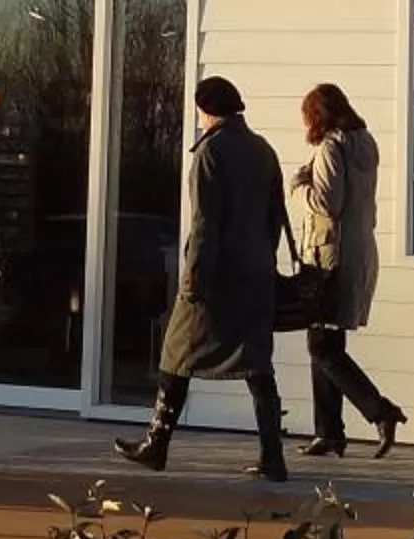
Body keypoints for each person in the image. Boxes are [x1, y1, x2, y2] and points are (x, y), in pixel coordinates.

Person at [118, 74, 290, 480]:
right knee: (257, 364)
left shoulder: (210, 153)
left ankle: (156, 443)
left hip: (216, 276)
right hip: (257, 274)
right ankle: (273, 456)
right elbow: (275, 218)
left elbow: (204, 224)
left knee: (176, 353)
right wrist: (266, 260)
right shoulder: (263, 150)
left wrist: (193, 278)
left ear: (207, 109)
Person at [293, 83, 405, 458]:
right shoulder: (365, 143)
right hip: (359, 253)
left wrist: (298, 187)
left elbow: (327, 204)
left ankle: (379, 411)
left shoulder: (329, 147)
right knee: (327, 343)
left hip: (331, 260)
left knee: (321, 346)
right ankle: (329, 433)